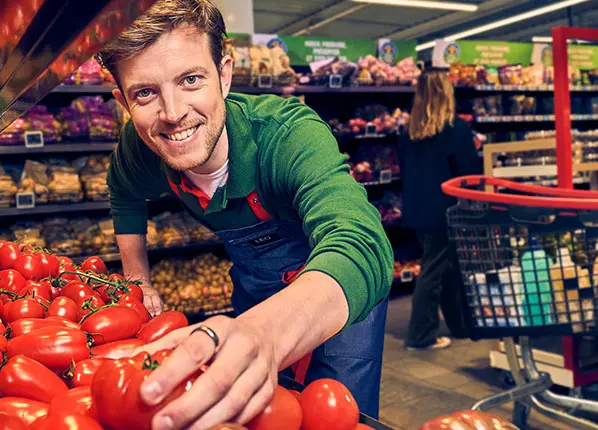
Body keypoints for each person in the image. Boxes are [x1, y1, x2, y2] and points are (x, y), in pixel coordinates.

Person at [98, 1, 393, 428]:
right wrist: (136, 277)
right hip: (256, 293)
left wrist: (265, 332)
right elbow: (123, 193)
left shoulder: (287, 136)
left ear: (225, 74)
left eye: (191, 79)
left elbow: (361, 244)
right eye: (145, 92)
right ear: (123, 102)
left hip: (338, 293)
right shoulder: (142, 148)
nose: (172, 112)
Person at [398, 68, 482, 351]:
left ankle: (460, 325)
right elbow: (469, 173)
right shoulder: (455, 129)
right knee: (434, 270)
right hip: (446, 210)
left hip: (417, 210)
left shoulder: (408, 131)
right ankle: (420, 335)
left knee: (446, 267)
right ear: (446, 93)